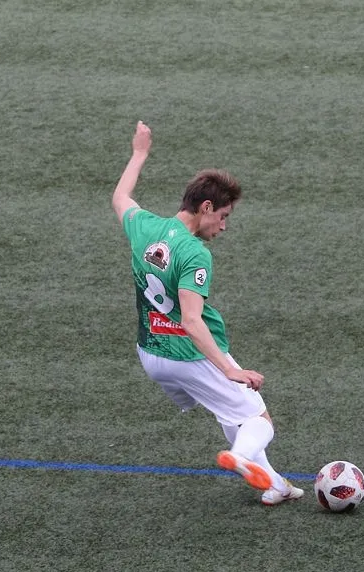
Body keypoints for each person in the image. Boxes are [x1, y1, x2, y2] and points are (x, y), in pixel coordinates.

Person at [111, 120, 303, 506]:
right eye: (224, 216)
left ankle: (276, 485)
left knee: (230, 412)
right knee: (258, 420)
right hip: (187, 355)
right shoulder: (194, 254)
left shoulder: (145, 228)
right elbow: (191, 320)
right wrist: (228, 369)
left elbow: (120, 197)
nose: (224, 226)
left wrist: (139, 153)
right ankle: (241, 456)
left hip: (150, 353)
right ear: (206, 207)